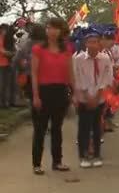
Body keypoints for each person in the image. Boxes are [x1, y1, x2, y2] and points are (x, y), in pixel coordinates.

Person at [30, 18, 73, 175]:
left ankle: (57, 161)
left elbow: (70, 73)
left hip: (60, 91)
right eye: (49, 28)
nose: (52, 31)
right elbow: (34, 74)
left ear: (61, 31)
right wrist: (35, 96)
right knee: (40, 129)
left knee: (57, 128)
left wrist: (74, 91)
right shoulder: (38, 49)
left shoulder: (66, 49)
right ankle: (37, 163)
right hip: (43, 91)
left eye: (55, 28)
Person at [73, 30, 114, 168]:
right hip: (84, 98)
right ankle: (83, 155)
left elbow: (107, 78)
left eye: (95, 42)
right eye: (90, 42)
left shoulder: (105, 59)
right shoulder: (78, 59)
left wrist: (97, 95)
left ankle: (97, 154)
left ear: (99, 44)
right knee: (83, 126)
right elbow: (78, 78)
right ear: (85, 43)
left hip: (99, 98)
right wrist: (86, 96)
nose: (93, 45)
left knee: (97, 126)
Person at [0, 24, 14, 108]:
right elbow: (2, 51)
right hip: (1, 64)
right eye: (4, 29)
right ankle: (2, 103)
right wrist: (12, 53)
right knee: (2, 84)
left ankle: (5, 102)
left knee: (6, 84)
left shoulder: (5, 38)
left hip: (6, 63)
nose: (5, 31)